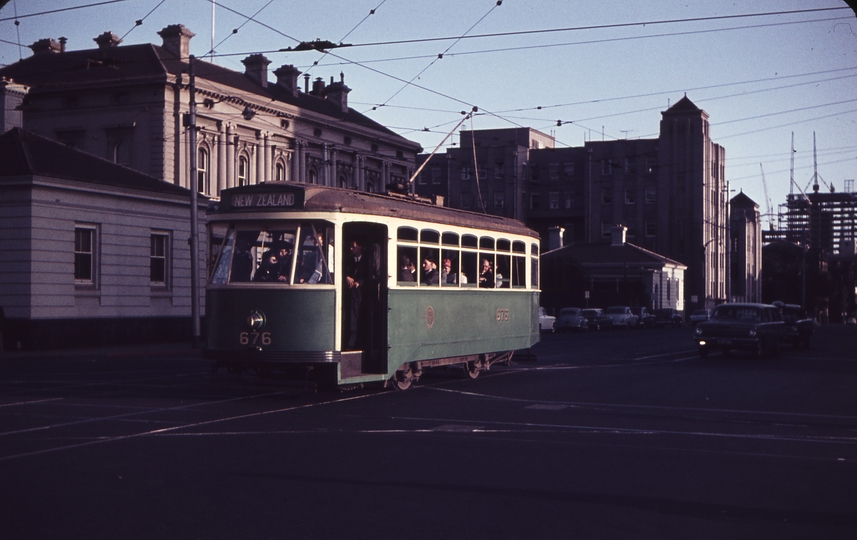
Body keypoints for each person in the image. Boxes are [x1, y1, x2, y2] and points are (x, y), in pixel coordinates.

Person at [344, 238, 376, 350]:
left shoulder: (368, 260)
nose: (351, 248)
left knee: (360, 322)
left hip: (363, 296)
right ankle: (350, 346)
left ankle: (357, 346)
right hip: (350, 296)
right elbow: (343, 272)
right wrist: (347, 277)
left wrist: (359, 282)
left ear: (360, 247)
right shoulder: (348, 260)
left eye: (353, 246)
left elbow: (371, 276)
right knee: (350, 321)